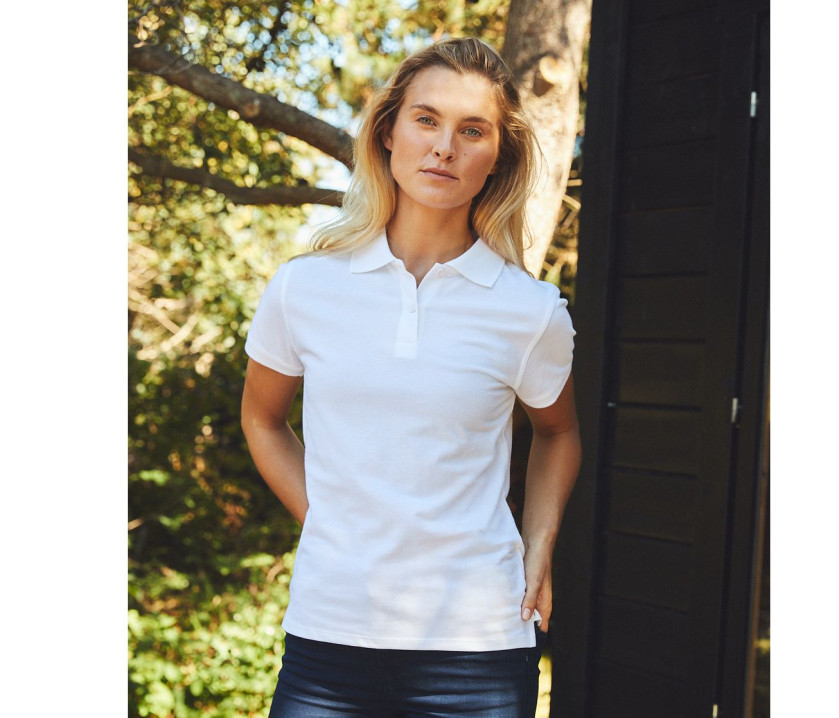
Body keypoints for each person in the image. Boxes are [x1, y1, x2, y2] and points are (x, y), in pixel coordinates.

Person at [241, 36, 581, 717]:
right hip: (329, 637)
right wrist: (327, 518)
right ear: (388, 131)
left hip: (479, 650)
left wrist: (539, 544)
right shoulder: (304, 287)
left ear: (498, 156)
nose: (443, 148)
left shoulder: (530, 310)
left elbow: (558, 432)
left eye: (472, 130)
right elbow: (262, 418)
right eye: (426, 120)